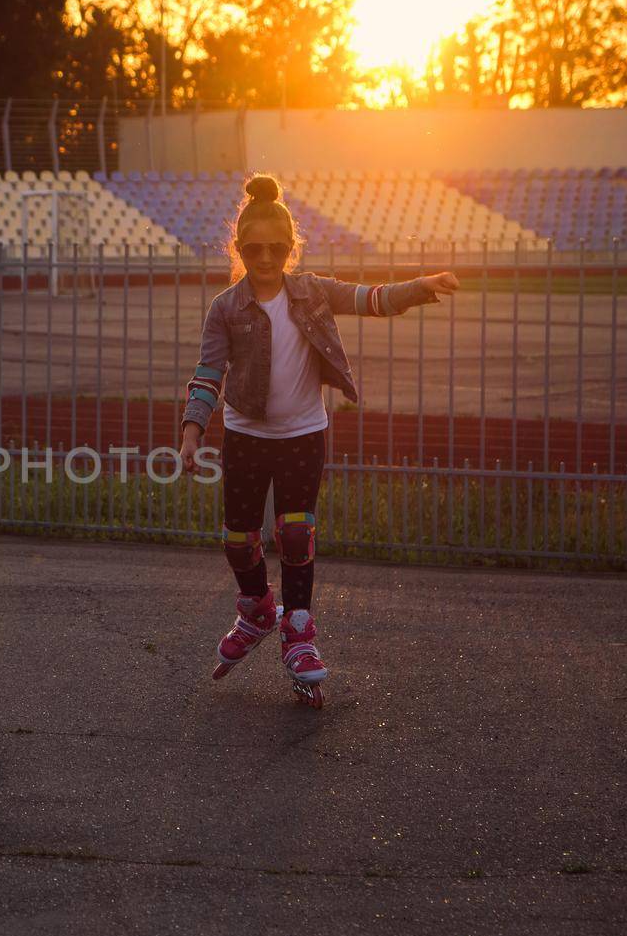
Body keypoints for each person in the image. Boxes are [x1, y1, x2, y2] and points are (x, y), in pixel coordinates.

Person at [178, 174, 460, 703]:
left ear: (292, 247)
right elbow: (207, 374)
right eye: (255, 248)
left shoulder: (312, 291)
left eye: (277, 247)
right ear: (239, 250)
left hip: (303, 435)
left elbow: (371, 298)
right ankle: (259, 609)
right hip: (245, 436)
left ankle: (299, 631)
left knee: (295, 533)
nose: (266, 257)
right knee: (238, 540)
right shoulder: (225, 308)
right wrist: (192, 432)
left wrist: (418, 289)